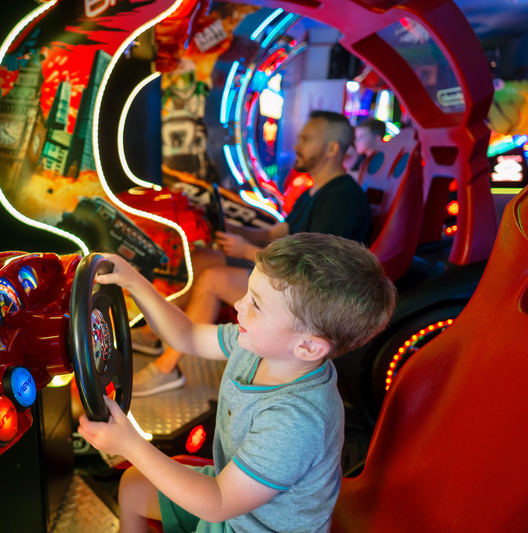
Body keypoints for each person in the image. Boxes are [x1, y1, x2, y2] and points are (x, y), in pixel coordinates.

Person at [78, 233, 396, 533]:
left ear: (308, 347)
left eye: (256, 304)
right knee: (133, 486)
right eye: (248, 293)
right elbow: (187, 335)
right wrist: (133, 281)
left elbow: (218, 503)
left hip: (250, 523)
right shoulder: (261, 348)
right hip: (232, 498)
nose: (238, 305)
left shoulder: (296, 422)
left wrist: (130, 444)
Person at [132, 110, 372, 397]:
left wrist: (246, 250)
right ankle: (150, 335)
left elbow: (313, 275)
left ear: (331, 149)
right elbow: (277, 233)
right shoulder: (316, 190)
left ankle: (166, 368)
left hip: (307, 299)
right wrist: (233, 228)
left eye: (306, 139)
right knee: (203, 259)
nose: (296, 146)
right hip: (290, 280)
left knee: (212, 279)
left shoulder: (340, 199)